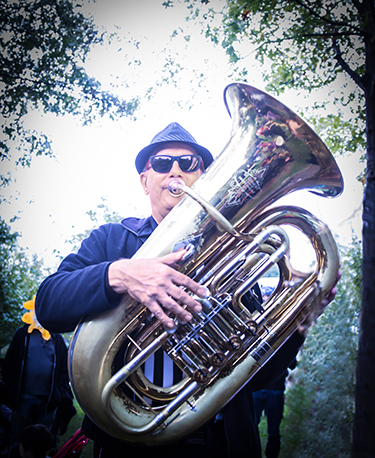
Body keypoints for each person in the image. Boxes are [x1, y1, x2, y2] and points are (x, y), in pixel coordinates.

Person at [35, 122, 338, 458]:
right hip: (129, 446)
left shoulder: (240, 255)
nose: (175, 171)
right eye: (162, 164)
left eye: (189, 164)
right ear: (144, 181)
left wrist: (298, 323)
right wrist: (120, 274)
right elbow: (47, 305)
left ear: (204, 178)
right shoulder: (111, 241)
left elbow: (259, 374)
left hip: (222, 444)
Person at [2, 322, 72, 458]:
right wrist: (13, 389)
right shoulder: (22, 335)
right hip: (23, 399)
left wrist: (58, 395)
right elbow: (8, 365)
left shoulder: (57, 338)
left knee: (42, 443)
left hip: (48, 402)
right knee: (18, 439)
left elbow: (65, 370)